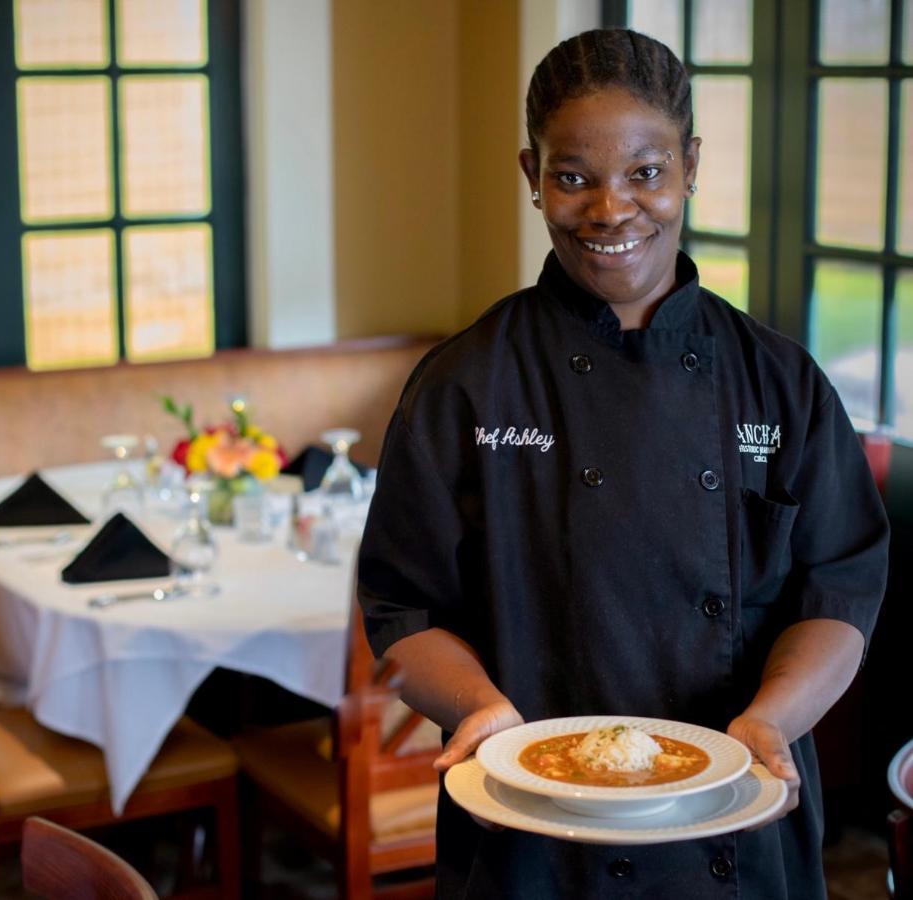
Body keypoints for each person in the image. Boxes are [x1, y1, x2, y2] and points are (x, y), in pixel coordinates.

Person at [356, 27, 889, 899]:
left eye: (645, 172)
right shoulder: (464, 384)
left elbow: (839, 591)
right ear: (532, 176)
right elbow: (402, 609)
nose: (609, 209)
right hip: (534, 829)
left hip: (737, 822)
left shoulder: (780, 382)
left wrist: (768, 721)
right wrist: (477, 711)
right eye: (573, 177)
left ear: (689, 166)